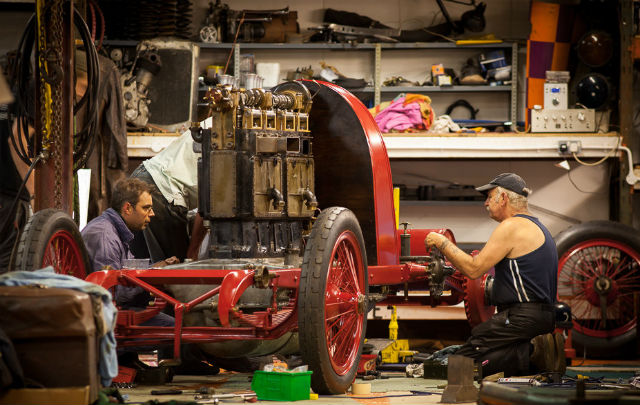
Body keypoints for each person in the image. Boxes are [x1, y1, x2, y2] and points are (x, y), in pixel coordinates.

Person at [425, 173, 562, 377]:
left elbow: (473, 269)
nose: (486, 203)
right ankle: (534, 351)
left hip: (521, 317)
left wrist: (442, 243)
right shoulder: (537, 226)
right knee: (490, 349)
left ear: (504, 198)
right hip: (541, 316)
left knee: (460, 364)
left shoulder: (511, 226)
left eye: (489, 197)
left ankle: (532, 353)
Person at [129, 127, 207, 263]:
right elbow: (209, 204)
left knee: (141, 269)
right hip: (163, 191)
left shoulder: (214, 121)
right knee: (177, 273)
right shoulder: (229, 132)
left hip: (143, 176)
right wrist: (192, 252)